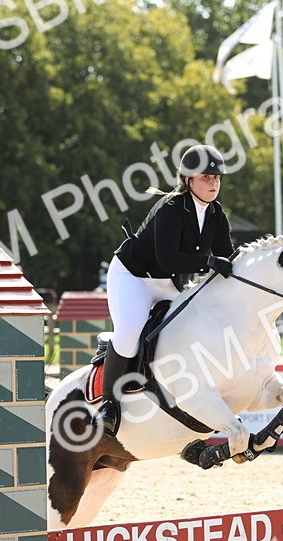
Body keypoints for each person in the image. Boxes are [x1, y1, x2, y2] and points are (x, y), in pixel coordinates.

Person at [95, 144, 236, 435]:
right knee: (131, 329)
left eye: (217, 178)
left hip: (168, 283)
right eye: (206, 178)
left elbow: (228, 256)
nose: (213, 183)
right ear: (188, 180)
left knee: (192, 328)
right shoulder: (171, 208)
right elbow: (167, 258)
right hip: (134, 276)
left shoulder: (216, 213)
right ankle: (108, 404)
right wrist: (209, 261)